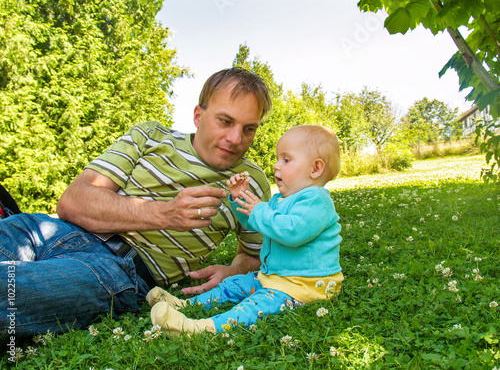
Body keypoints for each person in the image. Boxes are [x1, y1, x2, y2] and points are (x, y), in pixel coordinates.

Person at [0, 67, 272, 345]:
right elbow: (73, 202)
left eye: (249, 129)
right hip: (51, 230)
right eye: (225, 121)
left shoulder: (251, 182)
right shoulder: (149, 136)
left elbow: (256, 254)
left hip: (119, 268)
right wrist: (165, 214)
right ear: (198, 116)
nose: (236, 139)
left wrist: (233, 271)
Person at [147, 125, 344, 336]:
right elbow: (255, 224)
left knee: (255, 305)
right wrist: (241, 199)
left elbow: (291, 232)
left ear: (315, 169)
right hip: (274, 277)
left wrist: (259, 209)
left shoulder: (316, 201)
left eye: (286, 160)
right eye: (278, 159)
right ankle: (184, 305)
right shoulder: (281, 199)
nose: (276, 166)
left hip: (305, 286)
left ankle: (202, 329)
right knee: (232, 284)